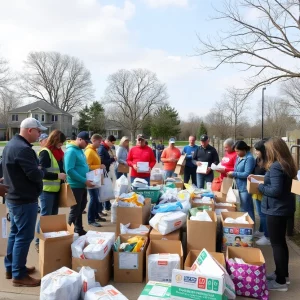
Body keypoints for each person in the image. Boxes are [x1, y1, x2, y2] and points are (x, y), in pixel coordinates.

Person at [2, 117, 46, 287]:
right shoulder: (23, 149)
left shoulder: (11, 145)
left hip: (14, 197)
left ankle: (11, 268)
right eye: (38, 131)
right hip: (24, 199)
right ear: (30, 130)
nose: (39, 134)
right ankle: (18, 274)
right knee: (23, 236)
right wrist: (40, 171)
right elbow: (34, 174)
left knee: (15, 233)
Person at [255, 137, 296, 291]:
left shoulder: (276, 167)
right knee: (281, 244)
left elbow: (276, 190)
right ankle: (282, 274)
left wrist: (261, 187)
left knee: (277, 244)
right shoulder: (287, 164)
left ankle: (280, 282)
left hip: (276, 210)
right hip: (282, 208)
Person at [35, 130, 67, 252]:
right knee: (45, 216)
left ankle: (49, 239)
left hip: (56, 189)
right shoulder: (45, 152)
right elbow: (41, 173)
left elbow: (59, 168)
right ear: (54, 140)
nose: (61, 145)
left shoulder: (59, 153)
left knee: (53, 217)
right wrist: (57, 176)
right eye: (60, 142)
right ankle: (38, 242)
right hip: (47, 190)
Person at [64, 131, 95, 236]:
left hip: (82, 185)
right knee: (75, 209)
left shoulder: (80, 151)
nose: (87, 144)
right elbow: (69, 170)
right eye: (86, 142)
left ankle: (78, 228)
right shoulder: (71, 151)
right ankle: (67, 231)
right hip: (75, 185)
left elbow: (83, 165)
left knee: (81, 207)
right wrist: (84, 180)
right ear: (80, 139)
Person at [227, 141, 255, 223]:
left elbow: (247, 173)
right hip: (239, 185)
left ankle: (249, 225)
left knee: (246, 208)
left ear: (243, 150)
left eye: (238, 151)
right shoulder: (239, 157)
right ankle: (245, 224)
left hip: (245, 187)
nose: (236, 153)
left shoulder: (249, 158)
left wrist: (234, 174)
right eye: (235, 151)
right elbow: (237, 168)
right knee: (243, 206)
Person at [85, 134, 106, 227]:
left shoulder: (94, 150)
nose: (100, 143)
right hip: (91, 178)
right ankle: (91, 219)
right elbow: (87, 166)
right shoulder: (89, 151)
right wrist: (99, 166)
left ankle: (96, 215)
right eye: (99, 142)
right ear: (93, 141)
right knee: (94, 199)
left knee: (97, 198)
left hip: (96, 177)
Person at [251, 140, 269, 246]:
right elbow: (253, 171)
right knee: (259, 212)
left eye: (258, 150)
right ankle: (261, 230)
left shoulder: (268, 162)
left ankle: (267, 236)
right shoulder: (257, 159)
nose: (256, 152)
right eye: (255, 150)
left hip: (264, 190)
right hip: (256, 189)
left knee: (263, 214)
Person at [98, 135, 117, 213]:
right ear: (108, 141)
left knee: (108, 189)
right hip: (103, 172)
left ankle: (107, 205)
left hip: (108, 170)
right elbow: (102, 161)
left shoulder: (107, 148)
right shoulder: (102, 149)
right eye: (112, 143)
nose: (112, 145)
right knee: (103, 190)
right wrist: (112, 159)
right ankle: (102, 208)